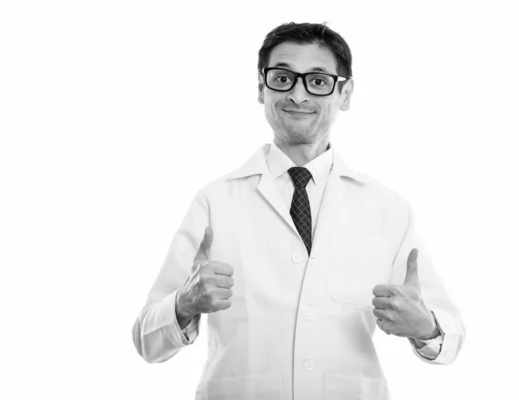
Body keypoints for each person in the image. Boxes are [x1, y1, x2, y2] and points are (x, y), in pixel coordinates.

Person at [132, 22, 465, 400]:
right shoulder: (214, 202)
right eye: (283, 78)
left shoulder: (388, 210)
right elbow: (147, 342)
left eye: (318, 81)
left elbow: (451, 341)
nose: (298, 94)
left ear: (345, 93)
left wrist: (426, 327)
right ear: (262, 88)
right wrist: (182, 304)